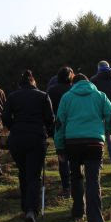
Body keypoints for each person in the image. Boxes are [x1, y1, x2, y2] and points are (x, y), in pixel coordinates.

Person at [54, 73, 111, 222]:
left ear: (74, 83)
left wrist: (60, 148)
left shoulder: (67, 97)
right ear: (88, 81)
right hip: (94, 142)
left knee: (75, 177)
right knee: (93, 181)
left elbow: (59, 123)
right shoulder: (100, 96)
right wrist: (109, 131)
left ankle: (77, 211)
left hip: (73, 143)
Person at [2, 70, 54, 222]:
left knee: (24, 172)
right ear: (33, 82)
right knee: (34, 175)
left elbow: (5, 118)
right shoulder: (43, 96)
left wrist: (14, 128)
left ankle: (25, 207)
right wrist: (48, 131)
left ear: (21, 83)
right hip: (36, 138)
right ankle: (32, 210)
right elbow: (50, 118)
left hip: (17, 139)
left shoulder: (13, 96)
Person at [46, 66, 74, 196]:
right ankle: (75, 182)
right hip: (74, 126)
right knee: (74, 157)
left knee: (62, 157)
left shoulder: (51, 90)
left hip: (58, 127)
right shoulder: (73, 90)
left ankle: (66, 186)